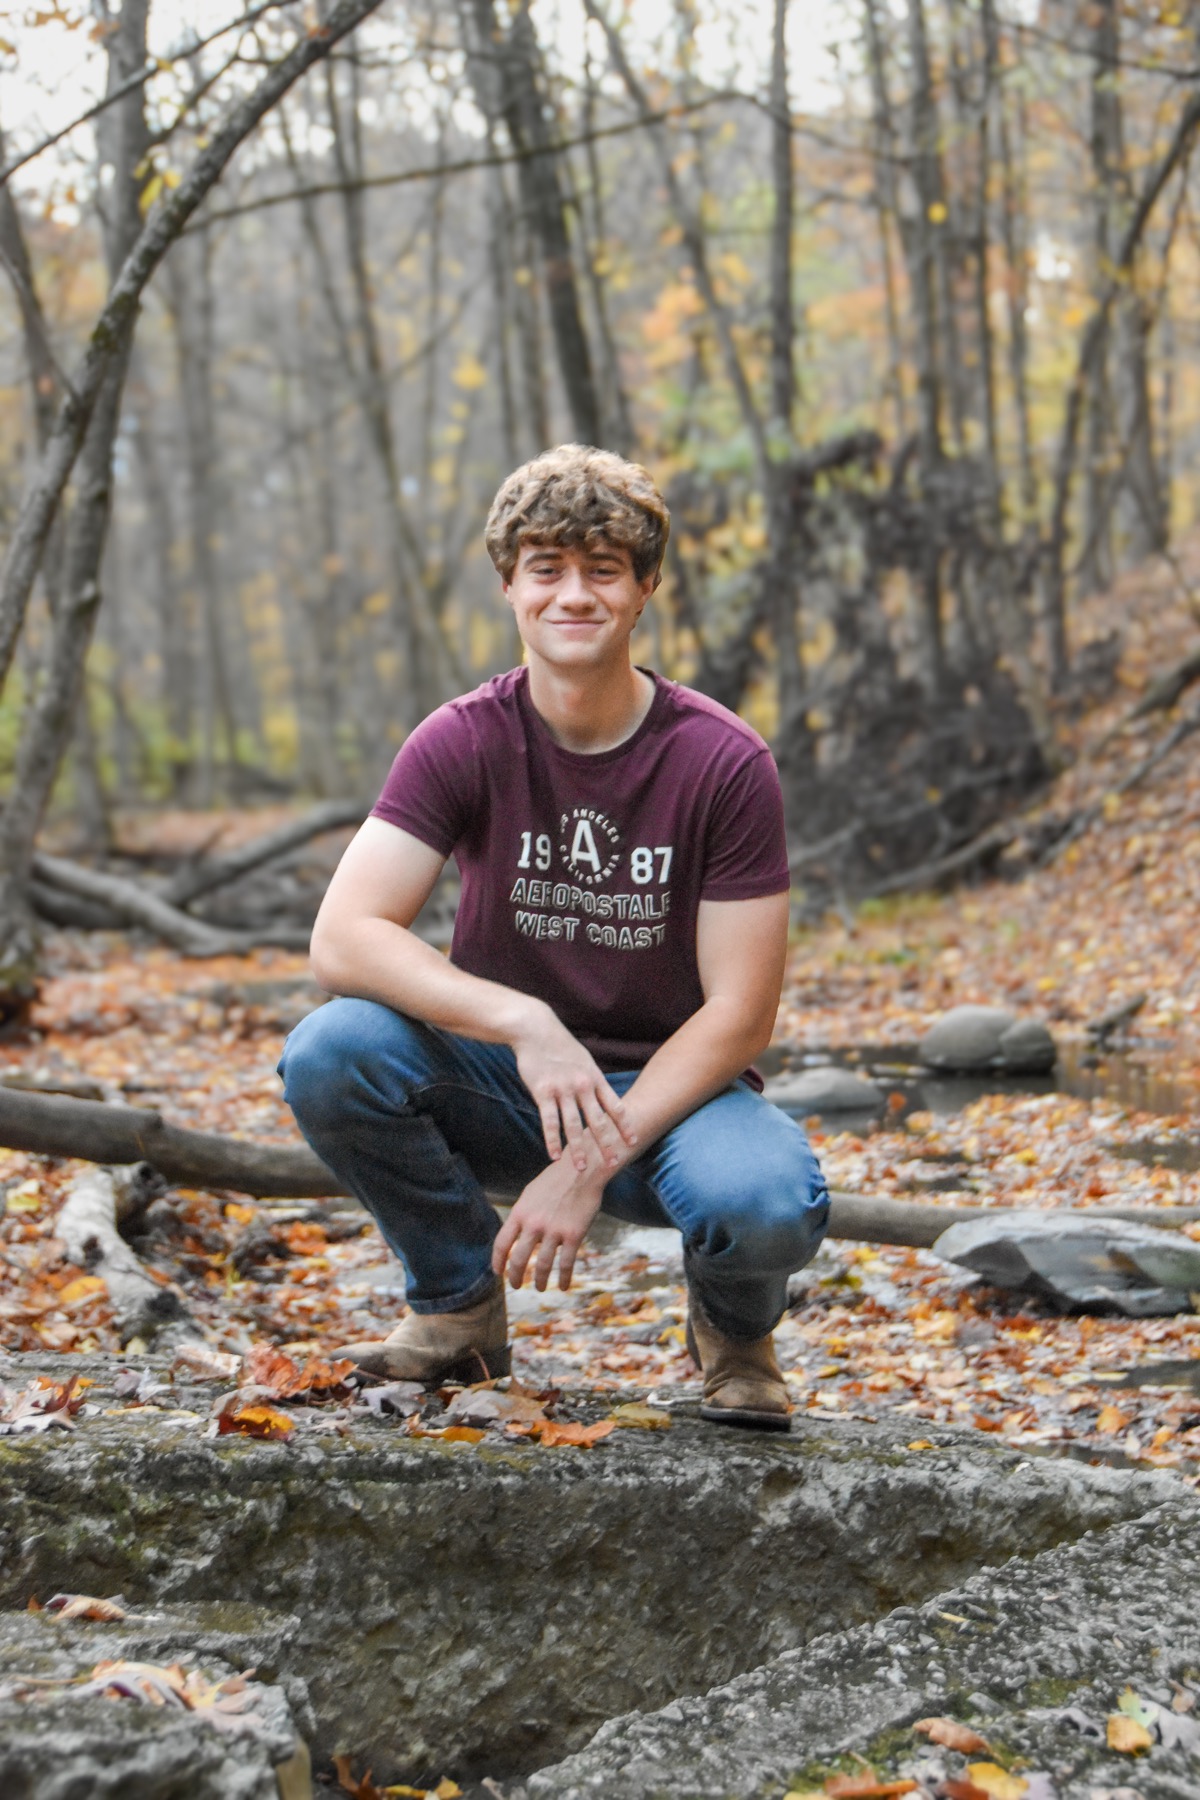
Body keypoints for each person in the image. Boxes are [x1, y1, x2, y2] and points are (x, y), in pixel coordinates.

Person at [280, 444, 828, 1430]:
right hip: (506, 1085)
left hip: (674, 1102)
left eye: (603, 569)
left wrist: (584, 1169)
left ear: (645, 587)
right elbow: (345, 938)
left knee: (766, 1201)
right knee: (331, 1053)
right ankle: (456, 1311)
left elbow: (741, 1017)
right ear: (510, 587)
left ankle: (737, 1333)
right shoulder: (463, 738)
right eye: (547, 569)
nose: (574, 594)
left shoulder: (723, 762)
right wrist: (523, 1021)